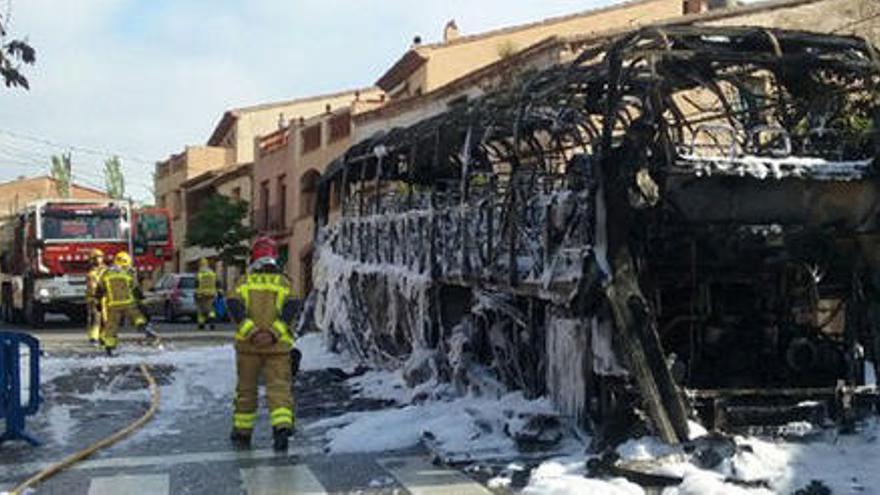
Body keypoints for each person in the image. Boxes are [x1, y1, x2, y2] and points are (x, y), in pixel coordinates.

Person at [226, 237, 298, 451]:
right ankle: (282, 428)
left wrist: (253, 333)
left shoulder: (243, 282)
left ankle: (242, 432)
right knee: (279, 389)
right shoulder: (286, 283)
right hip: (278, 348)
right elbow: (290, 311)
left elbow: (235, 309)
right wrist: (273, 334)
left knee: (246, 390)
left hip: (248, 348)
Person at [96, 251, 158, 355]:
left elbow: (100, 288)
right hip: (128, 302)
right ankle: (142, 326)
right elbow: (135, 288)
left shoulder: (106, 272)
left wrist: (98, 301)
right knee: (136, 316)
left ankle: (109, 346)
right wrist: (141, 299)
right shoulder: (129, 272)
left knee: (111, 325)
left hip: (113, 304)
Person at [85, 248, 106, 345]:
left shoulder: (105, 270)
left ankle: (103, 337)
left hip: (105, 298)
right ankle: (93, 337)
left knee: (105, 319)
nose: (99, 260)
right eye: (96, 258)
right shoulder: (91, 273)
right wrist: (94, 298)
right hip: (94, 299)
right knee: (95, 318)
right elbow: (91, 287)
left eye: (100, 257)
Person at [195, 258, 218, 330]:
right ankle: (212, 322)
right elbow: (217, 283)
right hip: (211, 294)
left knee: (201, 310)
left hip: (201, 294)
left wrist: (196, 294)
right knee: (211, 309)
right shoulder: (212, 273)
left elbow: (196, 284)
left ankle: (201, 324)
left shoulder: (199, 274)